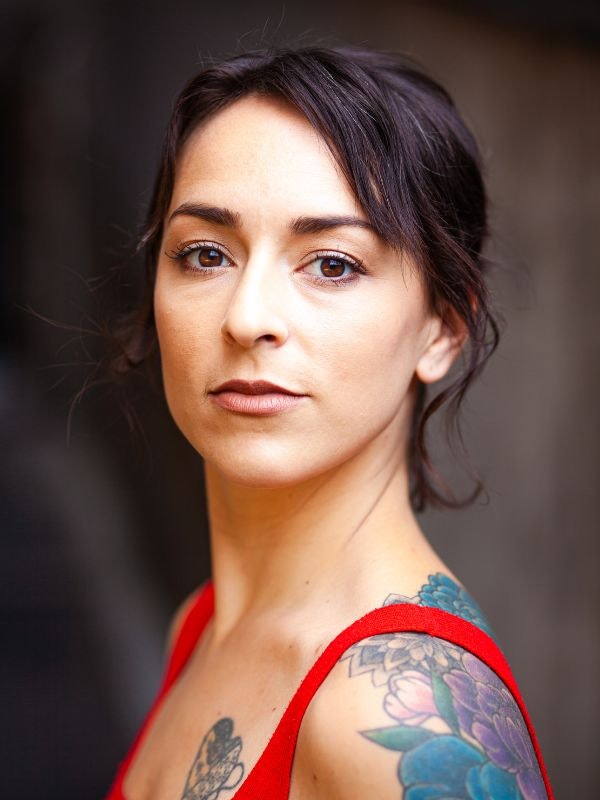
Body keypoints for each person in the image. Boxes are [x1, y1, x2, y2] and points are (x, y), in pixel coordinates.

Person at [105, 46, 553, 799]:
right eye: (206, 254)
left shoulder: (397, 720)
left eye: (333, 264)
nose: (248, 318)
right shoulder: (204, 624)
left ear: (443, 329)